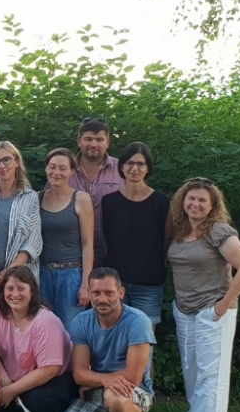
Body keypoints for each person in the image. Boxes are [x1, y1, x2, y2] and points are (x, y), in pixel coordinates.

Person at [167, 177, 240, 412]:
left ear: (212, 205)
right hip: (185, 310)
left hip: (212, 310)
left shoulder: (219, 231)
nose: (195, 204)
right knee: (191, 369)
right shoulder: (180, 231)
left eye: (202, 200)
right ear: (183, 201)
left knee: (210, 372)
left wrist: (224, 304)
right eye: (191, 198)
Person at [53, 268, 156, 412]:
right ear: (90, 293)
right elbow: (79, 374)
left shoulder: (138, 322)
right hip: (99, 390)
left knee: (115, 397)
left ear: (121, 293)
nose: (102, 299)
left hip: (134, 390)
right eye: (96, 293)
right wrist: (101, 381)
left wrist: (95, 381)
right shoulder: (81, 322)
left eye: (109, 293)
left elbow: (133, 377)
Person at [0, 266, 78, 412]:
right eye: (10, 289)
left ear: (32, 292)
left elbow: (50, 369)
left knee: (41, 401)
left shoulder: (46, 321)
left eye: (21, 289)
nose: (15, 294)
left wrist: (11, 391)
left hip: (55, 378)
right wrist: (5, 382)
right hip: (9, 376)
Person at [101, 143, 169, 328]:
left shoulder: (162, 203)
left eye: (140, 164)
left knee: (143, 337)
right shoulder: (109, 202)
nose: (134, 168)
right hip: (115, 283)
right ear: (122, 166)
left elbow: (166, 241)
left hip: (149, 284)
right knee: (115, 336)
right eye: (130, 163)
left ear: (148, 168)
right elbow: (107, 238)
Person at [0, 141, 42, 323]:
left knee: (20, 326)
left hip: (20, 279)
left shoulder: (30, 198)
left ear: (16, 162)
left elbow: (33, 240)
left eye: (6, 160)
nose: (1, 165)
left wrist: (10, 271)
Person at [49, 118, 123, 265]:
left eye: (99, 139)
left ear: (107, 142)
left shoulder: (121, 170)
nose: (93, 144)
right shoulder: (63, 169)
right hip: (70, 256)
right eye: (88, 139)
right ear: (79, 141)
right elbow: (48, 204)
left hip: (113, 252)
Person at [40, 148, 94, 330]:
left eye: (62, 168)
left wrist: (85, 283)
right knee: (44, 330)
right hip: (42, 274)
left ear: (72, 172)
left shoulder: (81, 199)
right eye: (52, 167)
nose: (56, 172)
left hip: (71, 275)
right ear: (46, 169)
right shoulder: (37, 198)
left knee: (71, 331)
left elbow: (88, 243)